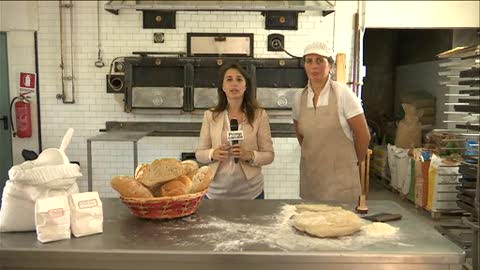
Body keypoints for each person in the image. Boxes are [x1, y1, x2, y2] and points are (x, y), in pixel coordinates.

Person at [292, 42, 371, 203]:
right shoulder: (298, 98)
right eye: (309, 61)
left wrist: (352, 164)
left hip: (341, 181)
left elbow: (363, 135)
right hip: (313, 178)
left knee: (342, 225)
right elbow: (301, 136)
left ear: (331, 65)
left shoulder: (343, 94)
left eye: (320, 60)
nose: (314, 66)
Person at [196, 63, 274, 199]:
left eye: (239, 79)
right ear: (223, 86)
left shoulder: (260, 115)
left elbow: (269, 155)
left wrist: (250, 155)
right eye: (229, 79)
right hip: (215, 193)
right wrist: (212, 153)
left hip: (251, 193)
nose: (234, 84)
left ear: (245, 86)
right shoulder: (210, 115)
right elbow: (199, 154)